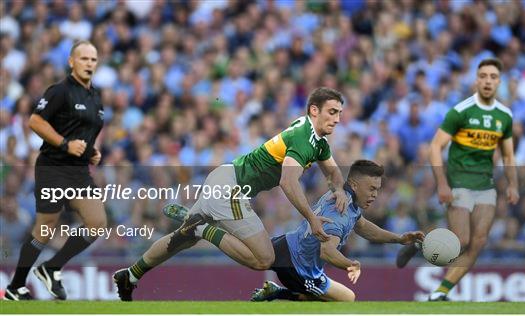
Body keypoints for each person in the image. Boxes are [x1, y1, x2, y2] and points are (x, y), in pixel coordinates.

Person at [114, 87, 349, 301]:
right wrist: (311, 218)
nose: (337, 119)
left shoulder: (317, 141)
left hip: (224, 179)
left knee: (180, 240)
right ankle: (201, 228)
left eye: (339, 113)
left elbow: (334, 173)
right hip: (231, 188)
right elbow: (288, 182)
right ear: (314, 110)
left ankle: (131, 275)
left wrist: (338, 189)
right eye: (332, 112)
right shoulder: (303, 138)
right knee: (264, 258)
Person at [395, 58, 519, 301]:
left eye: (493, 77)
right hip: (459, 180)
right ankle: (418, 243)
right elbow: (435, 147)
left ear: (499, 82)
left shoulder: (504, 116)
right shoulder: (461, 111)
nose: (487, 81)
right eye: (483, 76)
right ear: (476, 80)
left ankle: (440, 292)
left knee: (478, 242)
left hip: (486, 184)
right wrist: (441, 183)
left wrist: (513, 183)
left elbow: (508, 153)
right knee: (461, 239)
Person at [4, 41, 106, 301]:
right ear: (72, 61)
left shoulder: (95, 95)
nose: (89, 64)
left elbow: (84, 132)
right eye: (84, 58)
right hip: (53, 167)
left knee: (97, 224)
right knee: (45, 228)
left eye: (93, 60)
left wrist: (91, 152)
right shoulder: (60, 91)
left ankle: (52, 267)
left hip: (78, 171)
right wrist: (64, 144)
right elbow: (35, 121)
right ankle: (16, 286)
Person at [250, 160, 424, 302]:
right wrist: (351, 264)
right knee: (346, 298)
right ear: (355, 185)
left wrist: (399, 238)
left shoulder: (343, 196)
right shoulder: (342, 212)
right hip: (300, 269)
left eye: (377, 189)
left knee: (245, 252)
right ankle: (279, 292)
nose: (375, 195)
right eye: (371, 189)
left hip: (286, 243)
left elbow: (364, 227)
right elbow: (326, 252)